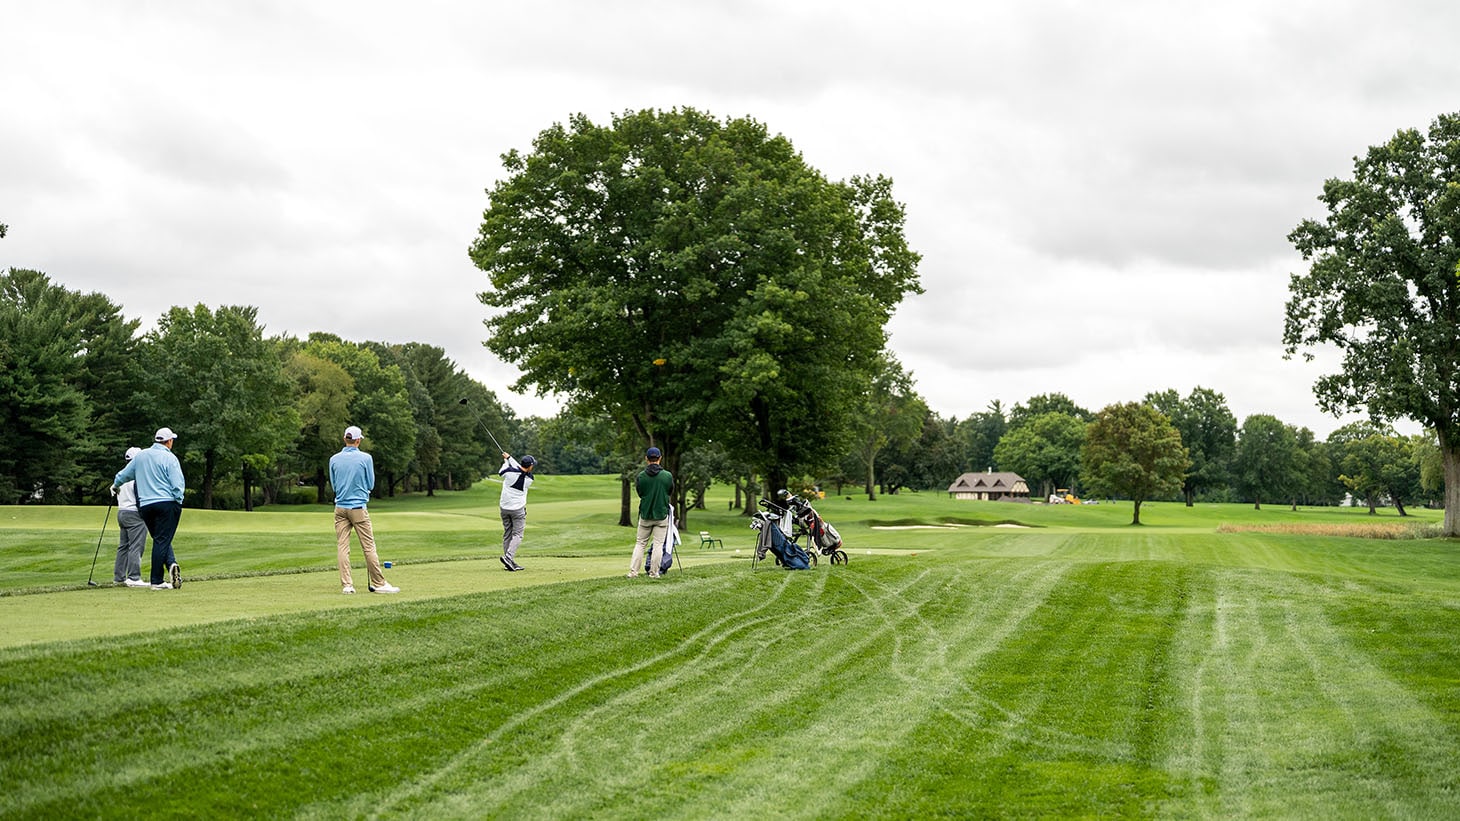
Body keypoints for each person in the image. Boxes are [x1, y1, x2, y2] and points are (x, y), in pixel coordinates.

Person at [110, 428, 185, 590]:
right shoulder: (170, 458)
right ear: (169, 442)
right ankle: (157, 580)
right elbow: (177, 484)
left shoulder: (141, 456)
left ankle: (171, 563)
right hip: (166, 503)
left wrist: (115, 486)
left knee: (160, 538)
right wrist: (178, 501)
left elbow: (122, 476)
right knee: (162, 539)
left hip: (145, 507)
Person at [328, 425, 399, 595]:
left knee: (342, 547)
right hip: (358, 508)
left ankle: (347, 585)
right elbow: (371, 484)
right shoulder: (366, 458)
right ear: (358, 440)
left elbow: (334, 485)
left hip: (340, 508)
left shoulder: (333, 459)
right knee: (368, 547)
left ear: (345, 439)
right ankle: (379, 583)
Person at [628, 446, 674, 579]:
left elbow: (640, 493)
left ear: (646, 459)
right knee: (658, 544)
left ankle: (633, 572)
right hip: (661, 515)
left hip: (646, 515)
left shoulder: (641, 476)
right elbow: (669, 491)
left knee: (640, 543)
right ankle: (654, 573)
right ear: (660, 458)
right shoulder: (667, 476)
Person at [111, 446, 149, 587]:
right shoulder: (137, 475)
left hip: (122, 512)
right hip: (134, 514)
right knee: (136, 546)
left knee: (123, 546)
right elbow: (140, 498)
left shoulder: (121, 474)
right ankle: (134, 577)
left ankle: (119, 577)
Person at [497, 452, 535, 571]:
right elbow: (519, 469)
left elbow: (502, 471)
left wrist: (507, 460)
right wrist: (509, 458)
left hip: (504, 508)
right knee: (517, 534)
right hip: (518, 510)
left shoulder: (508, 472)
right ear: (530, 466)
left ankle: (509, 561)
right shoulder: (529, 479)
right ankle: (508, 558)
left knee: (507, 533)